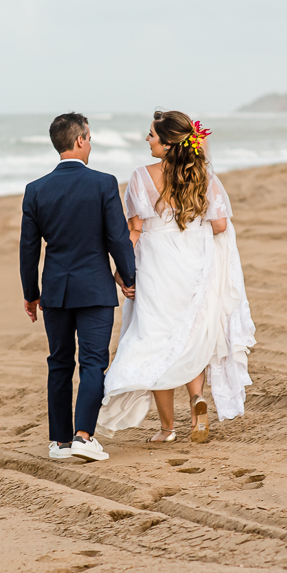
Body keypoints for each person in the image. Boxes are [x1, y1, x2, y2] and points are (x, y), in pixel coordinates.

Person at [96, 110, 255, 443]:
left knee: (156, 339)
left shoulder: (141, 176)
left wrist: (121, 272)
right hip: (192, 266)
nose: (147, 139)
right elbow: (220, 225)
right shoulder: (202, 177)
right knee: (189, 335)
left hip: (155, 266)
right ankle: (197, 398)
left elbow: (134, 231)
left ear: (168, 144)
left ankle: (168, 429)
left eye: (152, 135)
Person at [20, 112, 136, 462]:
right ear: (81, 140)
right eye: (90, 137)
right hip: (94, 289)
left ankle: (59, 443)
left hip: (55, 289)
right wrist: (128, 278)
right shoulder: (103, 183)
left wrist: (31, 293)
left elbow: (29, 248)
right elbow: (118, 238)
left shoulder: (36, 189)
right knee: (93, 362)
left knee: (58, 363)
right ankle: (84, 435)